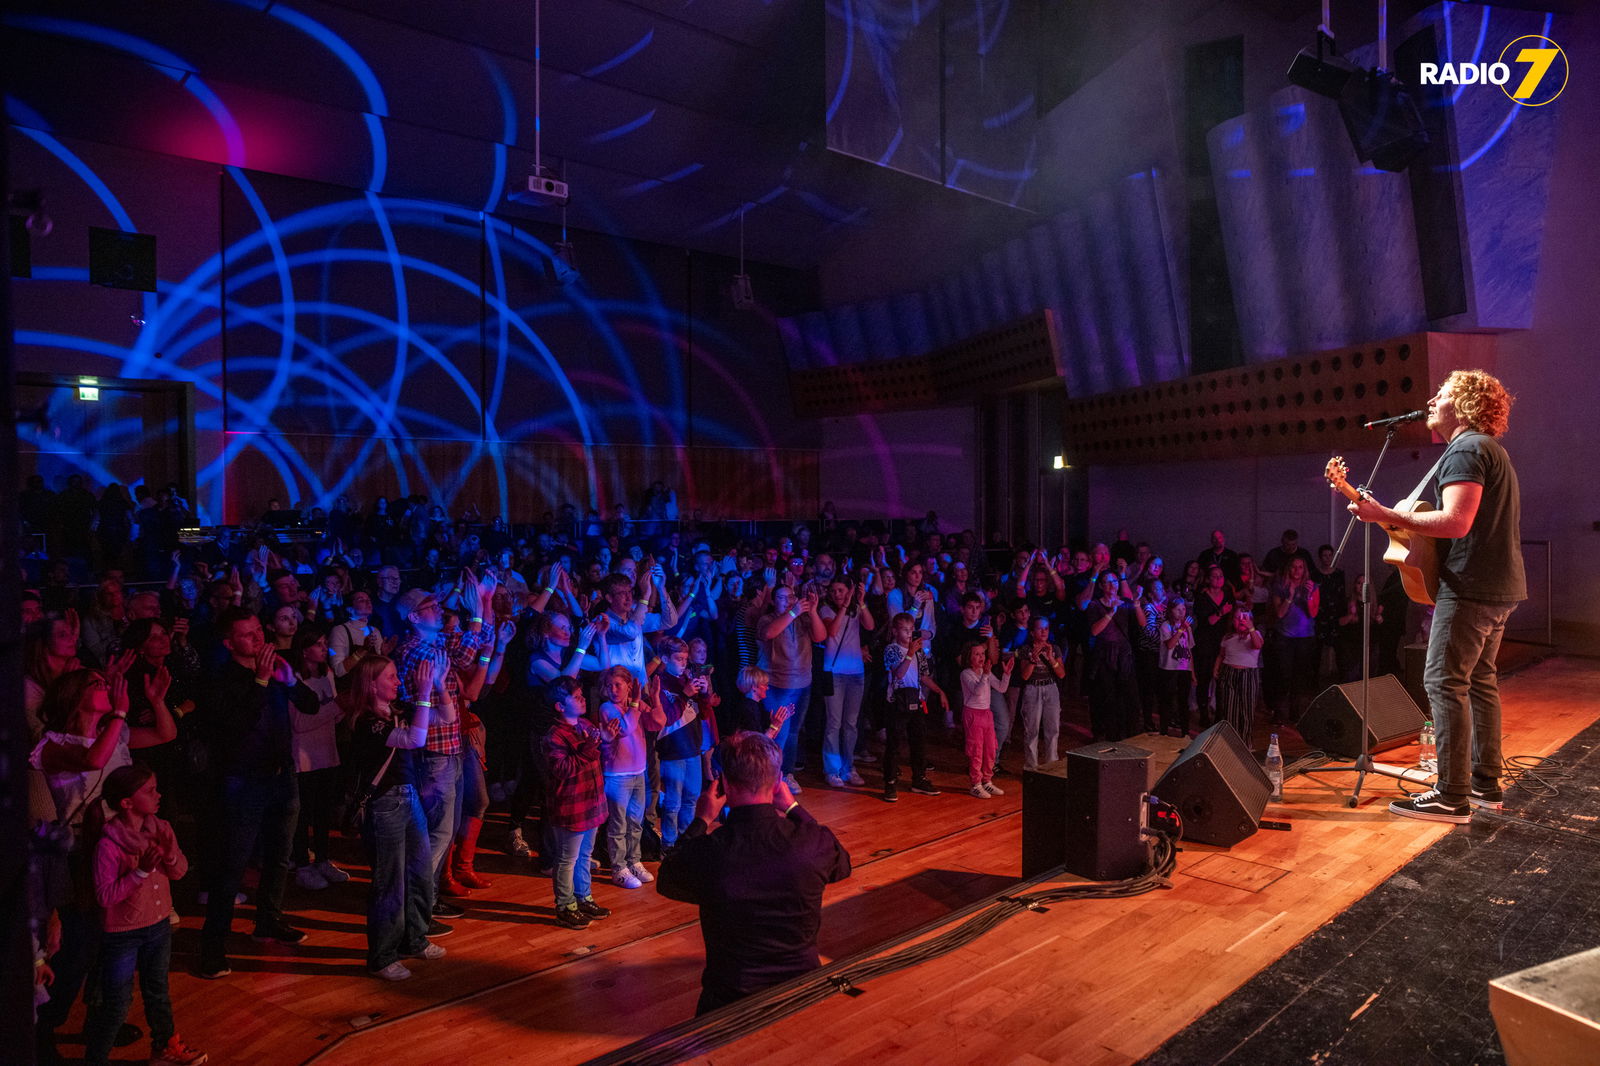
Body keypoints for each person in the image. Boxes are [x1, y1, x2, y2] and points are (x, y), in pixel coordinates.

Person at [1348, 370, 1525, 823]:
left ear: (1463, 405)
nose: (1431, 399)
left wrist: (1383, 514)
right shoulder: (1489, 450)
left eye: (1442, 394)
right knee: (1480, 683)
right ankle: (1484, 785)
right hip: (1498, 586)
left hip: (1470, 588)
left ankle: (1451, 794)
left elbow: (1456, 522)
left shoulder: (1466, 449)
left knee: (1443, 683)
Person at [656, 731, 851, 1015]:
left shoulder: (711, 852)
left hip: (731, 1001)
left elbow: (668, 878)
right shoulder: (810, 842)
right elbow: (841, 863)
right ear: (777, 785)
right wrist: (795, 809)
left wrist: (701, 820)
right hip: (803, 993)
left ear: (723, 784)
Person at [83, 764, 207, 1066]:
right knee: (117, 1004)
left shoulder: (161, 829)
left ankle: (164, 1049)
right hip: (123, 933)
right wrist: (140, 870)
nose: (159, 794)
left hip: (159, 925)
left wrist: (168, 855)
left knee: (158, 993)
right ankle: (95, 1059)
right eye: (150, 791)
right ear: (126, 803)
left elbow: (178, 872)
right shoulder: (108, 844)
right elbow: (105, 895)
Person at [344, 655, 446, 979]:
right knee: (390, 883)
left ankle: (414, 939)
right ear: (372, 683)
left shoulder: (398, 710)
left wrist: (438, 686)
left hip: (409, 798)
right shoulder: (366, 722)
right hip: (384, 805)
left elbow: (446, 716)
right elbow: (415, 739)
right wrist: (425, 690)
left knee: (418, 874)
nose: (398, 681)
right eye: (390, 677)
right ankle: (382, 957)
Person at [542, 677, 614, 929]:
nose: (583, 698)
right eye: (576, 696)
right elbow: (562, 769)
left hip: (591, 803)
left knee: (585, 854)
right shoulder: (554, 736)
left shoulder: (584, 724)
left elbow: (596, 755)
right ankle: (564, 906)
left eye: (582, 693)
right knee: (566, 858)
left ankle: (583, 898)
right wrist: (591, 747)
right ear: (560, 706)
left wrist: (604, 739)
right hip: (572, 808)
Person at [958, 642, 1013, 798]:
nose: (981, 657)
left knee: (990, 748)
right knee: (976, 750)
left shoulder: (985, 672)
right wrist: (985, 675)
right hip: (973, 714)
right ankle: (975, 783)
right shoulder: (966, 674)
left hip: (986, 714)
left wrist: (1006, 674)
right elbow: (977, 692)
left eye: (982, 654)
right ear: (969, 657)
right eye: (976, 654)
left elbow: (1001, 688)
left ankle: (987, 781)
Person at [1214, 610, 1264, 747]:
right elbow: (1221, 655)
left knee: (1246, 710)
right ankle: (1230, 743)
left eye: (1244, 618)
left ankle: (1245, 744)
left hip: (1247, 674)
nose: (1241, 621)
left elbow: (1258, 645)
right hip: (1229, 673)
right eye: (1237, 618)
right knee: (1229, 710)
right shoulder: (1228, 637)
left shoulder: (1255, 634)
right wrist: (1216, 668)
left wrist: (1251, 628)